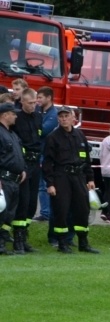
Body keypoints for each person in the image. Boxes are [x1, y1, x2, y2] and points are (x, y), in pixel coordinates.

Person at [43, 107, 99, 254]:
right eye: (60, 116)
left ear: (73, 117)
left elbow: (86, 159)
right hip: (62, 177)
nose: (63, 119)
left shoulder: (80, 135)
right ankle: (62, 243)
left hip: (79, 177)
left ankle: (83, 242)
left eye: (66, 116)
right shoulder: (53, 137)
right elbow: (48, 163)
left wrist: (90, 178)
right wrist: (50, 183)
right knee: (61, 210)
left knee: (82, 210)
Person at [11, 87, 42, 253]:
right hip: (23, 163)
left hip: (36, 163)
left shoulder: (38, 117)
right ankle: (17, 240)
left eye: (35, 102)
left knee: (31, 204)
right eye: (30, 103)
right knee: (22, 202)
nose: (33, 106)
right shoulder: (17, 118)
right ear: (22, 101)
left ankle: (24, 236)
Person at [0, 102, 25, 255]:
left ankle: (2, 243)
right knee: (2, 213)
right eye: (13, 113)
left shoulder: (12, 133)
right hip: (4, 179)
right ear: (4, 115)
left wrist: (23, 170)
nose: (16, 116)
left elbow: (17, 155)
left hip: (15, 180)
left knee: (9, 214)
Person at [33, 86, 58, 226]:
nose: (38, 100)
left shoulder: (53, 114)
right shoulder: (40, 111)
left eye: (40, 97)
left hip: (45, 153)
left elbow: (42, 131)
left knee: (43, 185)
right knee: (40, 184)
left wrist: (34, 127)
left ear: (49, 98)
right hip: (38, 151)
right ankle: (45, 212)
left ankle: (46, 213)